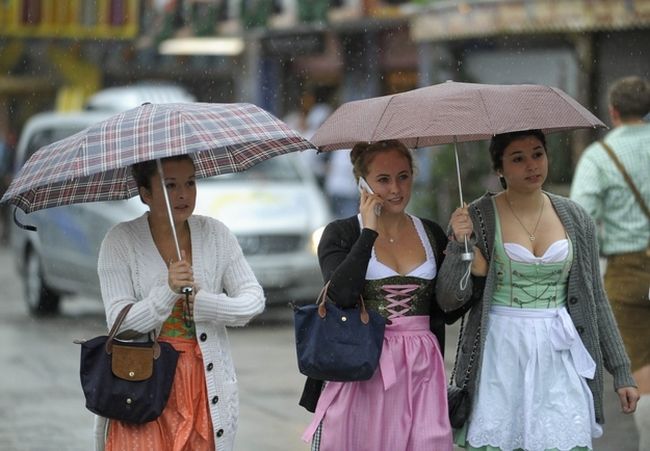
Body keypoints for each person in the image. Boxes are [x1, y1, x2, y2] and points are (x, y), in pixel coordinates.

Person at [436, 129, 639, 451]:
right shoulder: (476, 217)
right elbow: (449, 299)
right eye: (518, 158)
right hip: (499, 349)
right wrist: (461, 244)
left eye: (537, 154)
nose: (532, 165)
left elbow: (596, 299)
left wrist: (622, 372)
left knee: (562, 438)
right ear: (499, 168)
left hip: (560, 349)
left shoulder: (576, 217)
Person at [299, 139, 472, 451]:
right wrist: (369, 232)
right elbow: (341, 297)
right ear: (362, 183)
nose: (396, 188)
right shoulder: (341, 234)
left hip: (422, 368)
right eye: (383, 179)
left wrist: (462, 250)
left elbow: (448, 309)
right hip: (362, 368)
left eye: (403, 176)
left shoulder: (430, 232)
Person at [95, 155, 265, 451]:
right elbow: (118, 324)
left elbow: (253, 300)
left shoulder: (215, 234)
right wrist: (167, 290)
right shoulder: (120, 240)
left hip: (203, 384)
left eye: (190, 182)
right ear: (145, 193)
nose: (184, 194)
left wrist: (204, 305)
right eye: (170, 185)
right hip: (142, 385)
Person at [570, 76, 650, 450]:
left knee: (640, 363)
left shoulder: (600, 157)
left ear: (614, 112)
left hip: (627, 268)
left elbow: (582, 219)